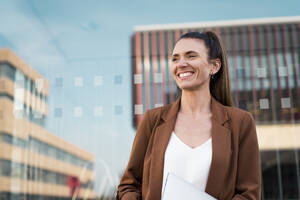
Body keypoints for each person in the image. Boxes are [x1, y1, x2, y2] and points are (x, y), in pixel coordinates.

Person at [116, 31, 261, 200]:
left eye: (191, 56)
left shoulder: (240, 123)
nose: (181, 63)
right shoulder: (152, 120)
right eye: (175, 58)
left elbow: (248, 194)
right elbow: (129, 185)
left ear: (214, 66)